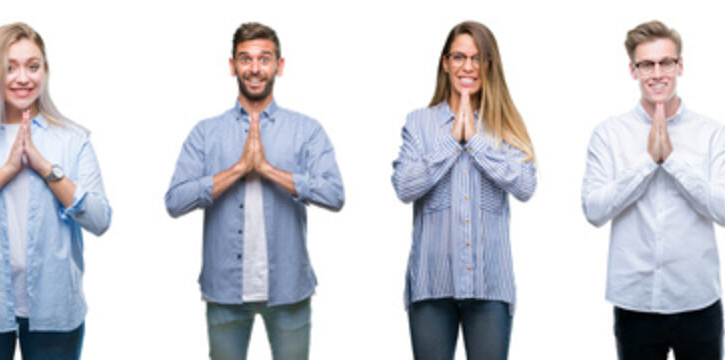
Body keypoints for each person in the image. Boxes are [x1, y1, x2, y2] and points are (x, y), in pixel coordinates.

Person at [164, 22, 346, 360]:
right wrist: (237, 170)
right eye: (246, 59)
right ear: (232, 66)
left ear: (279, 65)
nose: (255, 69)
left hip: (289, 290)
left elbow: (335, 194)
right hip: (224, 292)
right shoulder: (206, 133)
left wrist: (268, 171)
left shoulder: (306, 130)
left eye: (264, 59)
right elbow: (174, 201)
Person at [0, 22, 109, 360]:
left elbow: (100, 219)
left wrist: (46, 168)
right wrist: (7, 171)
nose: (22, 78)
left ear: (45, 71)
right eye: (9, 67)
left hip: (55, 310)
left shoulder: (73, 140)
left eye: (32, 66)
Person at [581, 20, 725, 360]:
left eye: (666, 62)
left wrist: (673, 162)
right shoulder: (608, 134)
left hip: (698, 300)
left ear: (680, 65)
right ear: (632, 70)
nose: (657, 73)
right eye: (647, 64)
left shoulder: (713, 134)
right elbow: (594, 211)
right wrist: (647, 162)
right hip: (634, 302)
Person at [391, 20, 537, 360]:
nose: (468, 66)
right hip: (431, 287)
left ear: (489, 64)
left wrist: (476, 142)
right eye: (459, 57)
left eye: (478, 58)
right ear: (445, 63)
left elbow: (527, 186)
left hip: (490, 287)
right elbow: (404, 186)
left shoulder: (505, 124)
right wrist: (451, 143)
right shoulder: (419, 123)